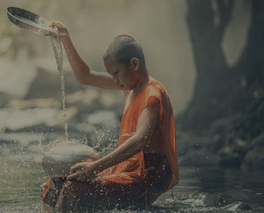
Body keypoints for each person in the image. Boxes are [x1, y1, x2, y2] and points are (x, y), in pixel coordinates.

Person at [40, 21, 179, 213]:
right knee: (54, 183)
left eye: (116, 74)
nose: (114, 81)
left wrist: (95, 167)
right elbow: (85, 76)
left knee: (73, 188)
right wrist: (66, 41)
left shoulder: (153, 93)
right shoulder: (129, 84)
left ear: (134, 64)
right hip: (124, 169)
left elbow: (140, 140)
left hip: (146, 177)